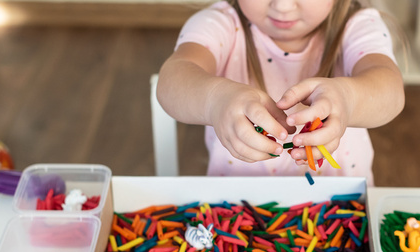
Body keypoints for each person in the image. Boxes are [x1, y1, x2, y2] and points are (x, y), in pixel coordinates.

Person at [157, 0, 404, 185]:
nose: (283, 6)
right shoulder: (219, 23)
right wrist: (214, 100)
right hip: (237, 215)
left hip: (342, 212)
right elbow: (171, 82)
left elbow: (390, 90)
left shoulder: (358, 26)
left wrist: (348, 99)